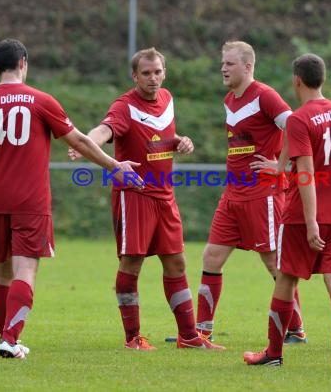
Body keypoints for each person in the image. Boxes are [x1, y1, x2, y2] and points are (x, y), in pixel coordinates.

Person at [0, 38, 141, 359]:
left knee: (1, 273)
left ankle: (5, 337)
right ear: (24, 62)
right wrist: (113, 165)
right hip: (31, 201)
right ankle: (10, 339)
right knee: (26, 271)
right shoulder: (40, 101)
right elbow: (79, 140)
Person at [69, 47, 224, 350]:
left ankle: (189, 337)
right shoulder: (125, 106)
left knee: (177, 264)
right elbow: (104, 130)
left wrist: (180, 141)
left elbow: (161, 136)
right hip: (135, 195)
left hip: (164, 197)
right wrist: (85, 143)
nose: (153, 79)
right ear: (134, 76)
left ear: (165, 72)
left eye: (157, 72)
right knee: (132, 264)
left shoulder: (167, 99)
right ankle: (133, 338)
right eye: (146, 73)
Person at [243, 53, 331, 370]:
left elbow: (306, 172)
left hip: (301, 217)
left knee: (286, 281)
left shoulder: (299, 118)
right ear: (323, 79)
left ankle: (273, 353)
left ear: (297, 80)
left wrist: (311, 222)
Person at [195, 41, 306, 344]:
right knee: (212, 257)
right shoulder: (230, 99)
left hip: (262, 193)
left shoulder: (265, 96)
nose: (223, 69)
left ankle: (295, 330)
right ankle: (201, 331)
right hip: (233, 193)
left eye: (229, 64)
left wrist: (280, 165)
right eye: (222, 64)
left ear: (247, 67)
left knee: (272, 261)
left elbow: (295, 126)